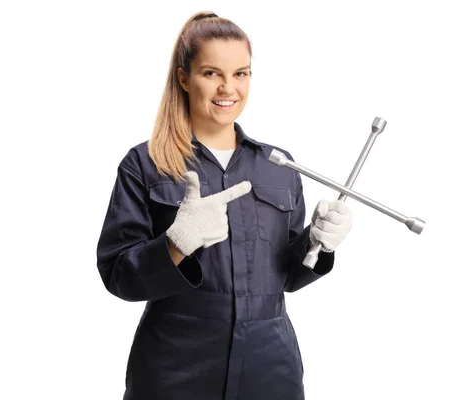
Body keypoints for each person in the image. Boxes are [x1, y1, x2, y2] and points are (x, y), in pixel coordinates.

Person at [96, 11, 352, 400]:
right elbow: (118, 277)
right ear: (184, 78)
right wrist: (177, 243)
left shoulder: (279, 167)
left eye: (241, 73)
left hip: (270, 367)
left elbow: (286, 278)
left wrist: (319, 245)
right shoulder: (145, 164)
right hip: (174, 368)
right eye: (211, 73)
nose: (227, 88)